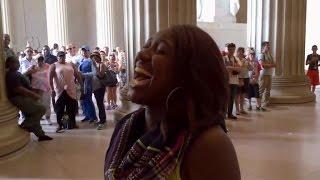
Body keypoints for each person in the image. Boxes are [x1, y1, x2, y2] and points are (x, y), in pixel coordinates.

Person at [104, 25, 240, 180]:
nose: (141, 54)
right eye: (145, 47)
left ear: (191, 73)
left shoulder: (209, 144)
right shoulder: (127, 126)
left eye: (161, 51)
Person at [5, 56, 53, 141]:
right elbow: (18, 89)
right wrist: (33, 95)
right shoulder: (11, 74)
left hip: (23, 96)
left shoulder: (15, 73)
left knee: (33, 114)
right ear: (10, 64)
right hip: (19, 98)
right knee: (41, 109)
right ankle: (25, 125)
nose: (19, 64)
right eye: (16, 62)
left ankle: (41, 135)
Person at [49, 51, 82, 133]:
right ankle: (60, 125)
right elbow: (50, 78)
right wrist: (52, 89)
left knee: (72, 107)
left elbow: (77, 74)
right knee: (59, 109)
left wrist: (81, 84)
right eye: (60, 56)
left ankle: (73, 123)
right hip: (60, 90)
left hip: (71, 88)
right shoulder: (54, 65)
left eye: (63, 56)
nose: (62, 58)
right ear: (57, 57)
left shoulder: (70, 64)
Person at [31, 55, 52, 125]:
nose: (39, 62)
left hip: (46, 88)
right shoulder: (33, 67)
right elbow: (26, 74)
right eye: (38, 60)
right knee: (37, 105)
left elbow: (52, 74)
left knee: (46, 104)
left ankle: (48, 118)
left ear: (43, 61)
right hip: (36, 89)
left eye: (41, 60)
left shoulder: (48, 66)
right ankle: (38, 120)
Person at [78, 45, 97, 122]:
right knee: (83, 100)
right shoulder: (81, 61)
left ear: (89, 52)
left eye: (85, 51)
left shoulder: (91, 61)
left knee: (88, 99)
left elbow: (94, 73)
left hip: (88, 83)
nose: (84, 52)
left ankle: (93, 116)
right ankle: (87, 115)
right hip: (82, 83)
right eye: (83, 51)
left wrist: (83, 74)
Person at [224, 43, 241, 120]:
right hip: (226, 81)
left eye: (233, 49)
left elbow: (240, 69)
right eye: (230, 49)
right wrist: (234, 68)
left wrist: (231, 68)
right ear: (228, 50)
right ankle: (223, 113)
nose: (232, 51)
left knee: (232, 98)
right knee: (225, 98)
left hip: (234, 81)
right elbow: (225, 68)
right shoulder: (224, 58)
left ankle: (230, 114)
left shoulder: (236, 59)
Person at [90, 52, 107, 130]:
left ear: (98, 57)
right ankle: (101, 119)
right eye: (93, 57)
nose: (94, 58)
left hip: (100, 87)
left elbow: (101, 75)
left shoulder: (102, 64)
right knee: (98, 103)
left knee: (100, 103)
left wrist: (95, 66)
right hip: (95, 87)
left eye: (95, 57)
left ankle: (103, 121)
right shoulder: (93, 65)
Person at [259, 41, 276, 108]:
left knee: (268, 90)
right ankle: (259, 103)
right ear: (263, 47)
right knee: (261, 89)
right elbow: (262, 65)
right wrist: (270, 65)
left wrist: (269, 65)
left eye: (269, 45)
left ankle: (266, 102)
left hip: (269, 74)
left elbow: (275, 64)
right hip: (264, 74)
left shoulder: (270, 54)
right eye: (267, 46)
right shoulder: (261, 54)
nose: (269, 47)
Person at [236, 47, 251, 114]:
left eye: (242, 51)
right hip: (238, 78)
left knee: (243, 94)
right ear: (237, 52)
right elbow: (238, 68)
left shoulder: (245, 60)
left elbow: (250, 68)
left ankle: (242, 108)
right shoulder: (235, 59)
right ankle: (237, 109)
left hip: (246, 77)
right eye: (239, 51)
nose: (241, 53)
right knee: (237, 94)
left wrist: (249, 62)